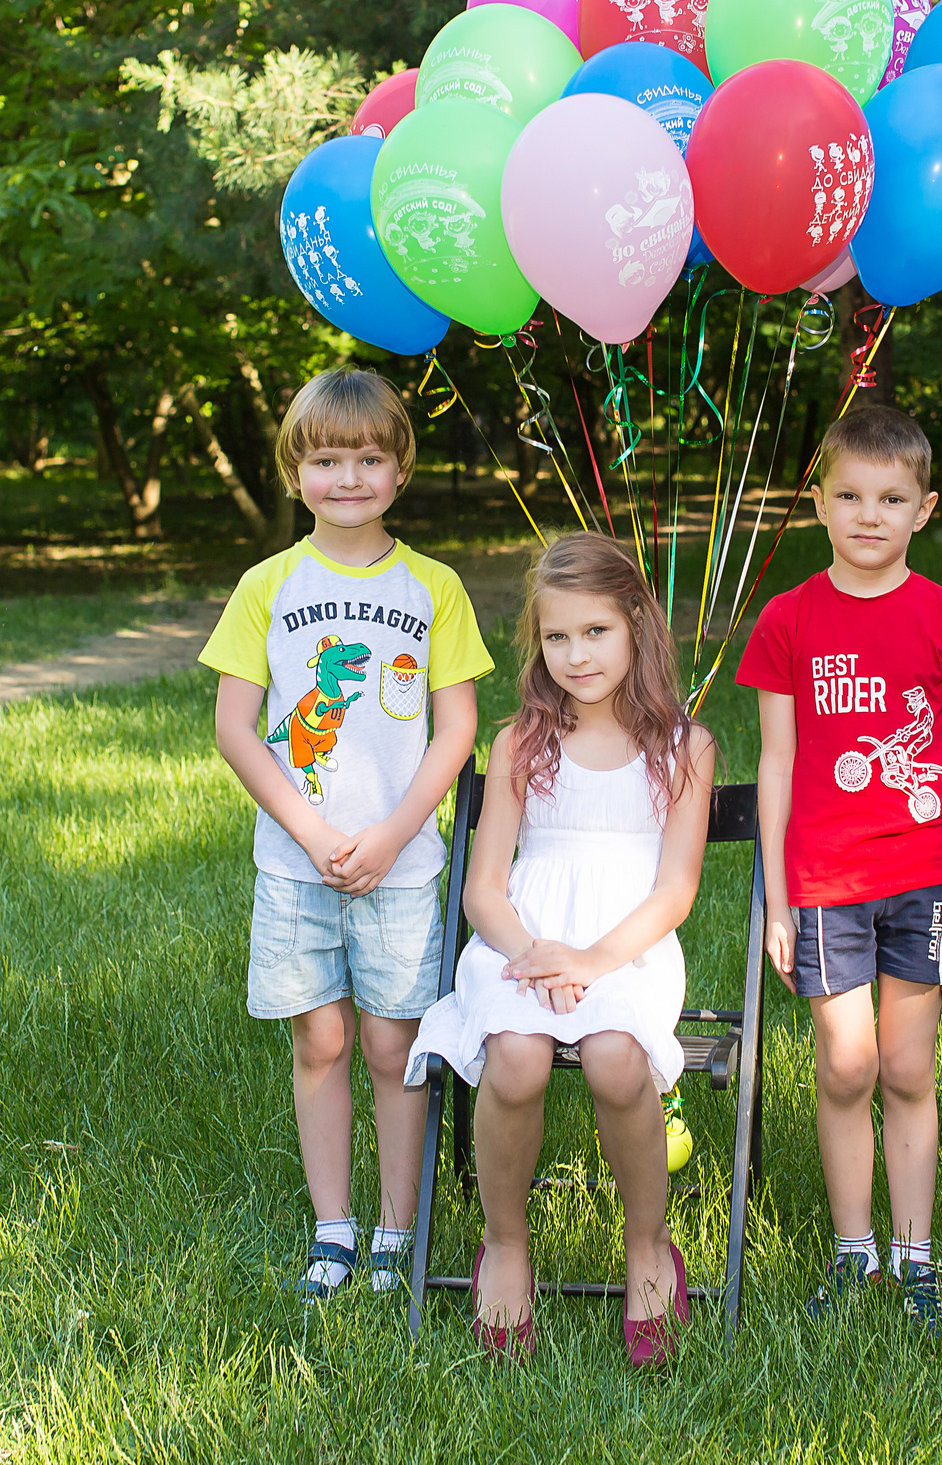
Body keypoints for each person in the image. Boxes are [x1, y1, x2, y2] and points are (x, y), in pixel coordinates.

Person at [200, 367, 492, 1301]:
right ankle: (334, 1227)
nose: (350, 477)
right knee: (320, 1041)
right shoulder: (267, 584)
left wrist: (394, 832)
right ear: (296, 471)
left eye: (370, 458)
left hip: (403, 866)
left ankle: (396, 1231)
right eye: (328, 459)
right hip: (295, 861)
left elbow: (456, 730)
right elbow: (235, 727)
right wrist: (315, 830)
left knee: (391, 1046)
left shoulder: (434, 587)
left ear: (401, 472)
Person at [407, 532, 718, 1366]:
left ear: (637, 627)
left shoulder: (684, 746)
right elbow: (482, 891)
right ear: (537, 643)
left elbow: (674, 892)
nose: (575, 654)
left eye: (596, 632)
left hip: (629, 945)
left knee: (618, 1058)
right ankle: (505, 1244)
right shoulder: (519, 743)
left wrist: (589, 961)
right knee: (516, 1055)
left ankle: (648, 1243)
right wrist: (539, 952)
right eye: (556, 637)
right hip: (523, 937)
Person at [736, 405, 942, 1333]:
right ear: (818, 503)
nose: (868, 514)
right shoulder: (788, 619)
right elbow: (776, 762)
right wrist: (774, 888)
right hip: (823, 882)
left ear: (924, 509)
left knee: (907, 1066)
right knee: (846, 1067)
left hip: (926, 877)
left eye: (891, 498)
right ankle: (853, 1249)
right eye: (848, 495)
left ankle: (915, 1255)